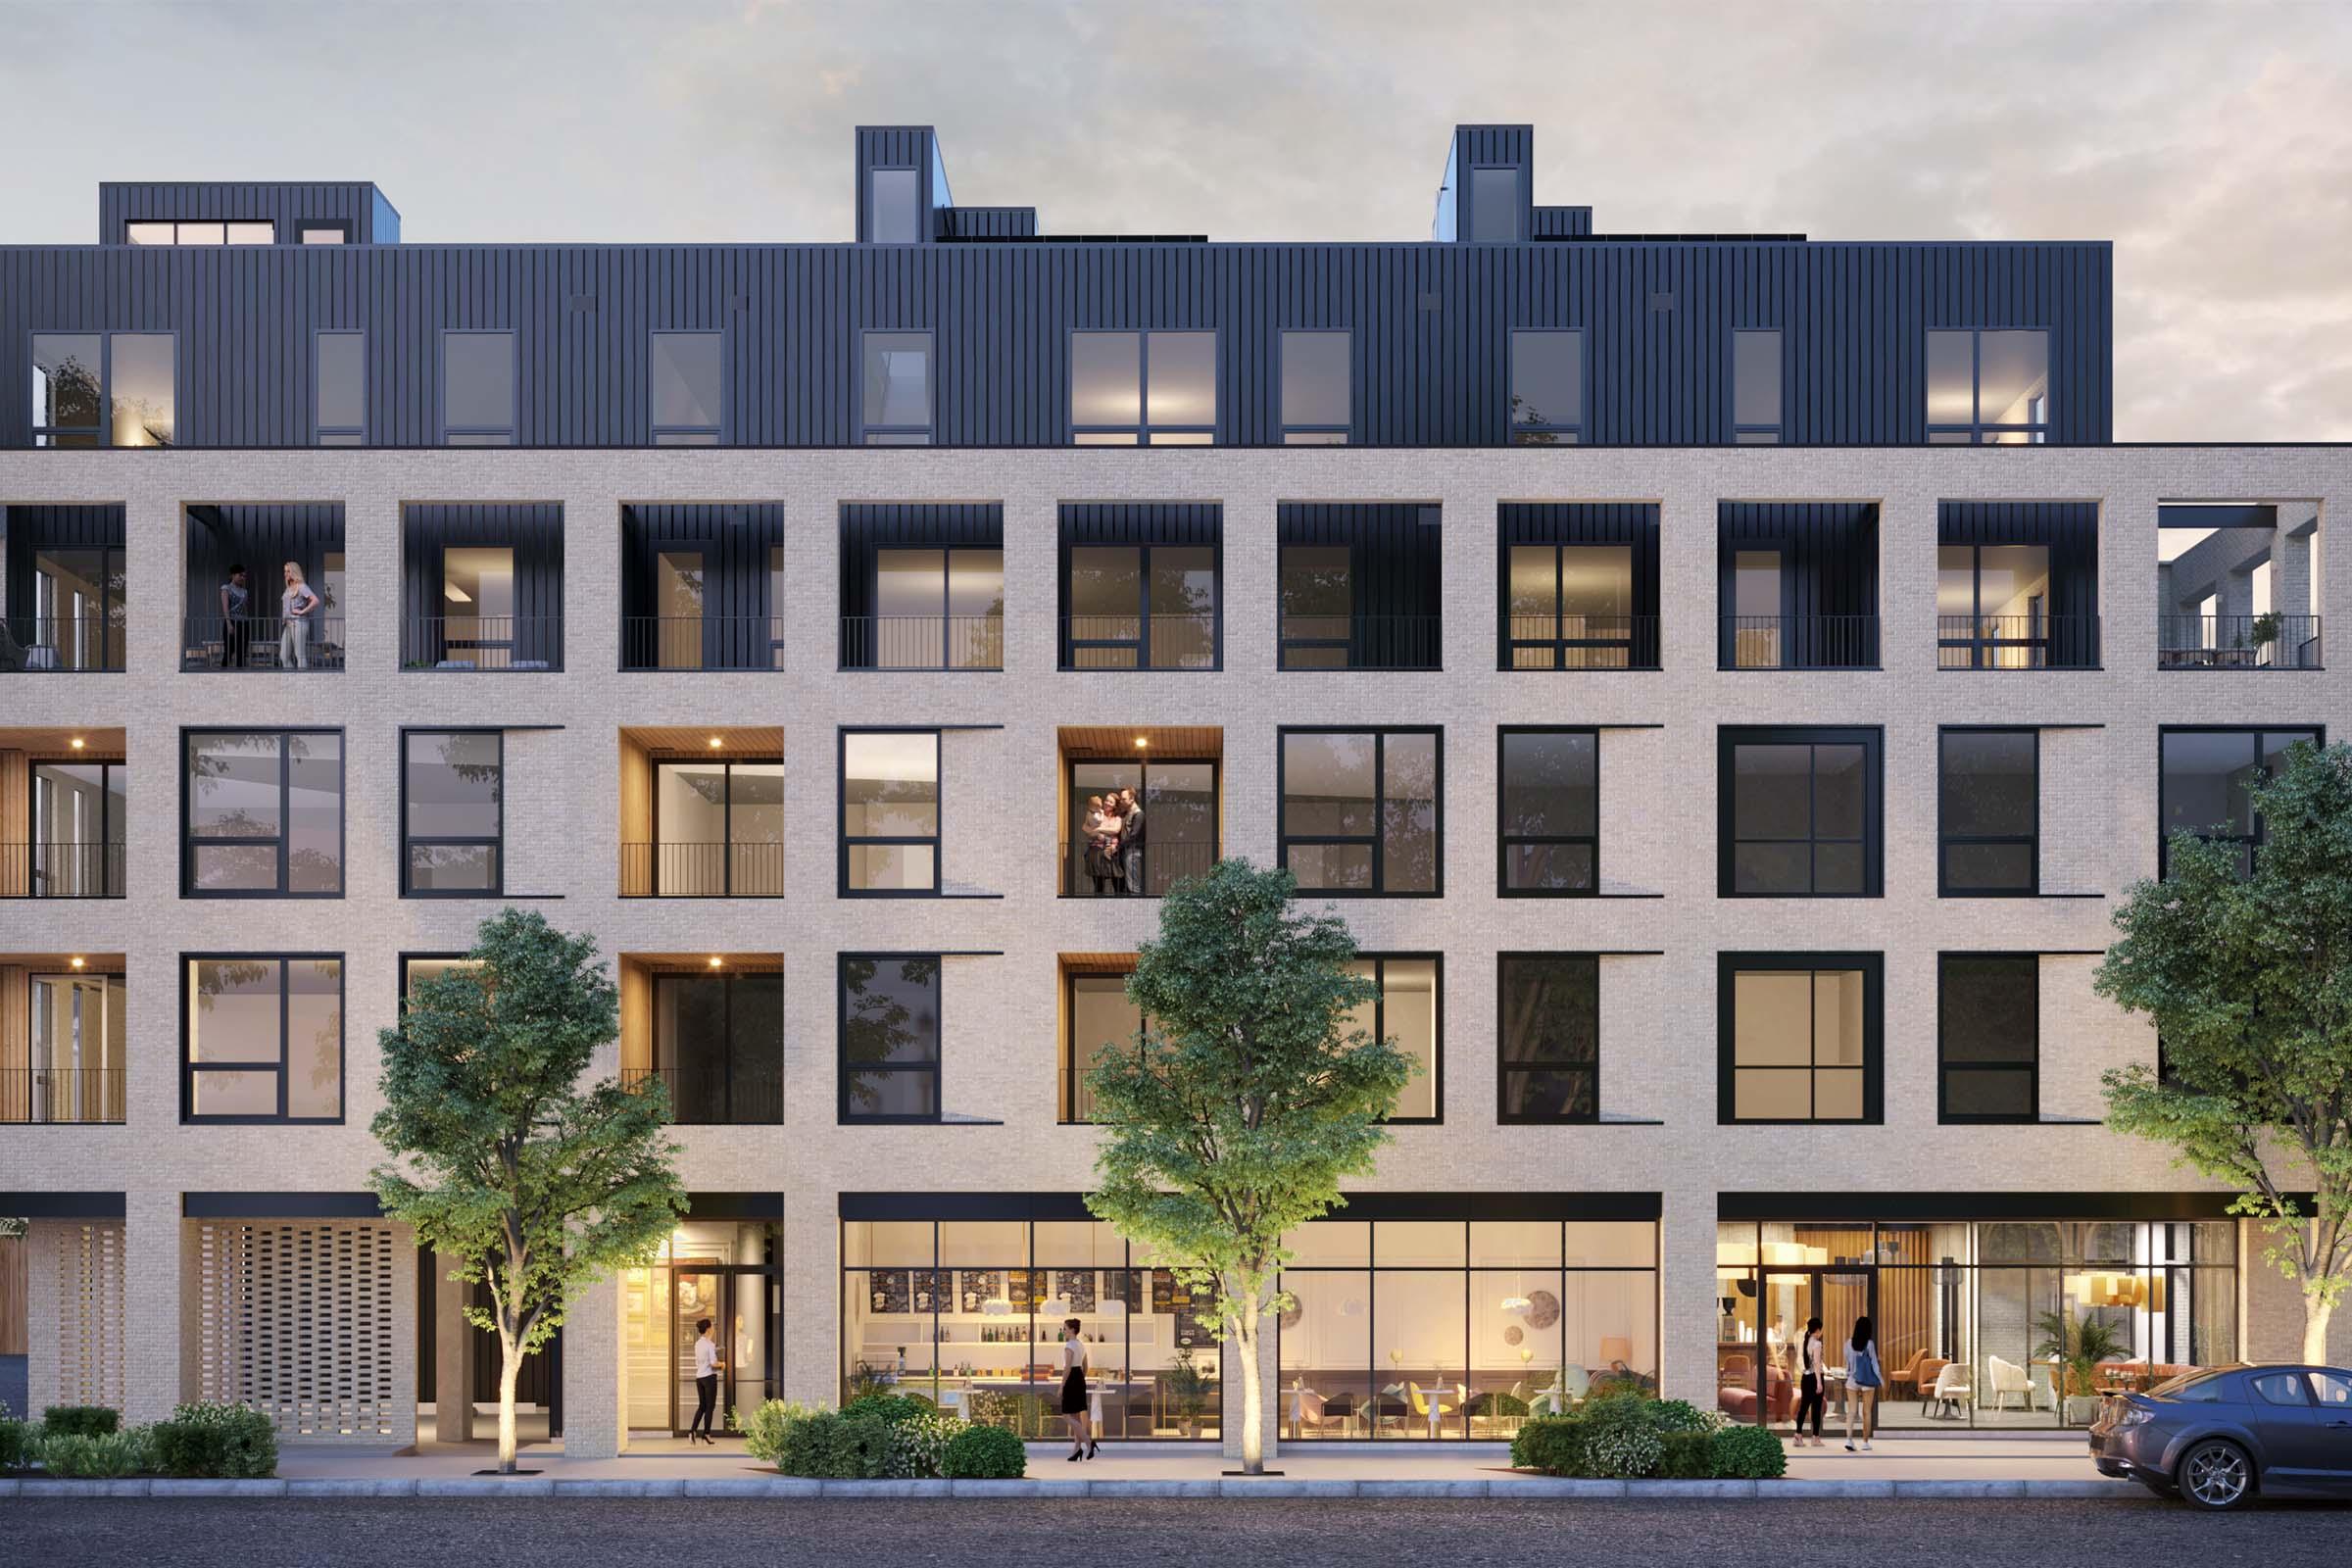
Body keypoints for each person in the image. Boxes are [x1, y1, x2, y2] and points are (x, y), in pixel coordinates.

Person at [1059, 1315, 1097, 1461]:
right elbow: (1086, 1366)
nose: (1064, 1331)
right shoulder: (1081, 1345)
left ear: (1072, 1330)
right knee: (1076, 1416)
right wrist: (1080, 1379)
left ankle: (1088, 1441)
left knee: (1066, 1415)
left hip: (1071, 1379)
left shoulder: (1069, 1346)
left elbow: (1067, 1367)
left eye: (1065, 1329)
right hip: (1080, 1377)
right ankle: (1077, 1450)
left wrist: (1062, 1385)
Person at [1843, 1314, 1881, 1451]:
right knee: (1867, 1412)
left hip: (1852, 1381)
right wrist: (1880, 1379)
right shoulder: (1869, 1344)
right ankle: (1865, 1442)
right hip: (1867, 1381)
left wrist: (1848, 1375)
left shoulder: (1848, 1343)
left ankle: (1848, 1439)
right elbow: (1874, 1364)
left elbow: (1847, 1364)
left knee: (1852, 1411)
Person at [1791, 1316, 1827, 1447]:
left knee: (1803, 1407)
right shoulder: (1817, 1343)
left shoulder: (1804, 1341)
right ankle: (1815, 1438)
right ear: (1817, 1330)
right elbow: (1817, 1364)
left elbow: (1803, 1361)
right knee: (1816, 1408)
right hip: (1814, 1378)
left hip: (1805, 1377)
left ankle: (1798, 1435)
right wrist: (1819, 1382)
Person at [278, 561, 320, 670]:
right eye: (285, 571)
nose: (286, 574)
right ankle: (292, 679)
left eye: (288, 571)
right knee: (284, 656)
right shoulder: (288, 588)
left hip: (299, 623)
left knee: (300, 654)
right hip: (288, 624)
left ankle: (302, 681)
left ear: (294, 572)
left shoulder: (301, 586)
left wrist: (302, 612)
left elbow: (315, 601)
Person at [689, 1315, 723, 1444]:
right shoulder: (710, 1344)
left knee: (702, 1406)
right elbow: (714, 1363)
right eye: (712, 1326)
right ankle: (706, 1434)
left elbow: (698, 1362)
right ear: (708, 1329)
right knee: (710, 1406)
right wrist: (723, 1364)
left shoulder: (697, 1344)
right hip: (709, 1377)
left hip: (699, 1377)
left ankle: (692, 1431)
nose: (714, 1328)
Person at [1082, 796, 1123, 898]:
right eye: (1107, 800)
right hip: (1097, 851)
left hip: (1111, 851)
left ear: (1115, 806)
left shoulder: (1117, 818)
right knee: (1099, 884)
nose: (1107, 803)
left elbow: (1116, 830)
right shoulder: (1097, 814)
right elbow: (1085, 827)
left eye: (1111, 802)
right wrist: (1094, 833)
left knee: (1117, 882)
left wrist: (1099, 829)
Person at [220, 564, 251, 668]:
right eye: (240, 575)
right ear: (233, 575)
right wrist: (228, 624)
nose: (243, 578)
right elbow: (225, 607)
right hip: (232, 621)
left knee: (242, 651)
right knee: (229, 650)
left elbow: (245, 609)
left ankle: (241, 674)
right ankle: (223, 673)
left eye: (244, 576)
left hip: (244, 623)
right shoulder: (226, 588)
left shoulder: (244, 591)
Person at [1116, 786, 1147, 896]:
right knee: (1129, 881)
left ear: (1132, 798)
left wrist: (1118, 846)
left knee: (1133, 883)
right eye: (1121, 799)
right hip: (1126, 850)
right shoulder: (1127, 813)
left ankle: (1136, 904)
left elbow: (1134, 834)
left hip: (1132, 852)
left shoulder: (1139, 814)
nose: (1121, 801)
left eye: (1123, 799)